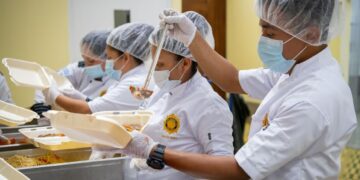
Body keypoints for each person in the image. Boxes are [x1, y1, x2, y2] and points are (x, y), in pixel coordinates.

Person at [95, 0, 358, 179]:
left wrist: (154, 151)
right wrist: (192, 38)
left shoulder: (312, 100)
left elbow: (238, 169)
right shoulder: (292, 71)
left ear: (311, 34)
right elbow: (231, 79)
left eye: (271, 33)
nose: (262, 40)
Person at [92, 11, 234, 180]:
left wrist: (155, 151)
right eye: (153, 63)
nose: (155, 71)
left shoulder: (209, 105)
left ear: (185, 63)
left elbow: (222, 169)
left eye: (160, 65)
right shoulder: (163, 91)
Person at [43, 23, 154, 113]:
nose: (109, 63)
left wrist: (54, 96)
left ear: (125, 57)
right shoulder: (127, 79)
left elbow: (87, 109)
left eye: (110, 58)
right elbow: (101, 104)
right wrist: (81, 97)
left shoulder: (134, 85)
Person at [31, 30, 114, 115]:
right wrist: (40, 103)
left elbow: (100, 108)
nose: (86, 65)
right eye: (84, 58)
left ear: (108, 58)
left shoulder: (119, 78)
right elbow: (49, 79)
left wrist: (82, 99)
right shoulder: (79, 67)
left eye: (91, 61)